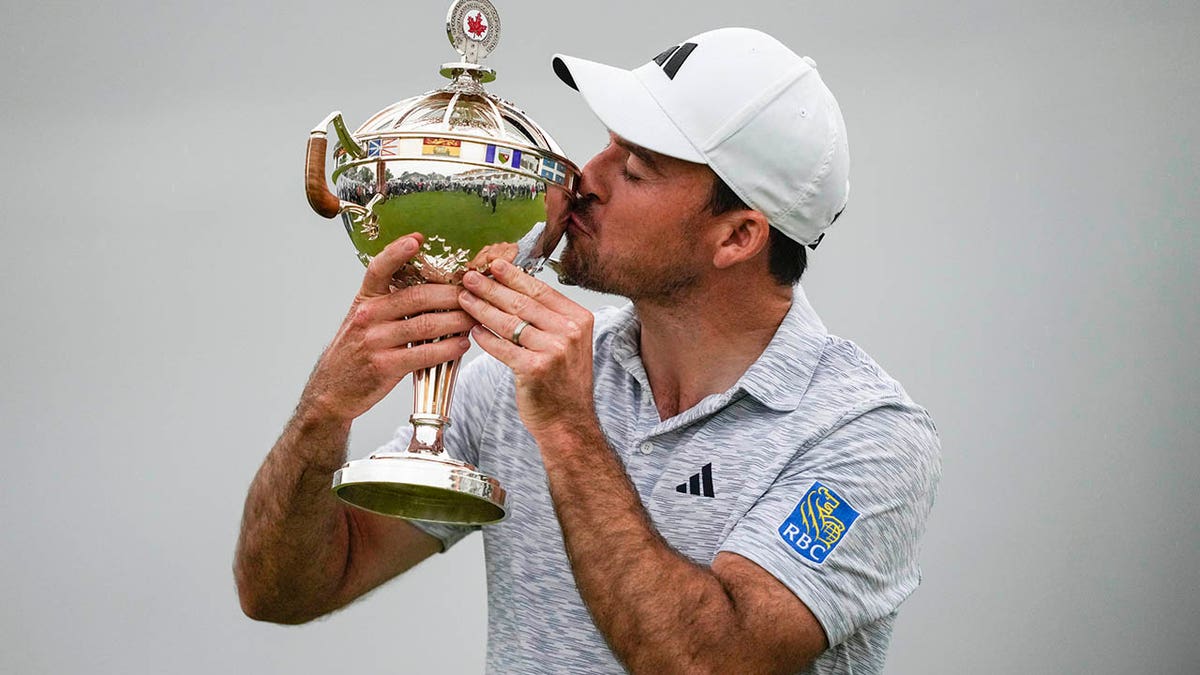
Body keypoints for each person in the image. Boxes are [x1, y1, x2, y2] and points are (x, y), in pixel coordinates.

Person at [235, 27, 941, 675]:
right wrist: (323, 412)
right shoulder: (513, 382)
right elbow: (286, 589)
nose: (582, 177)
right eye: (606, 143)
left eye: (634, 169)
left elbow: (710, 661)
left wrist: (570, 431)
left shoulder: (866, 435)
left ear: (737, 236)